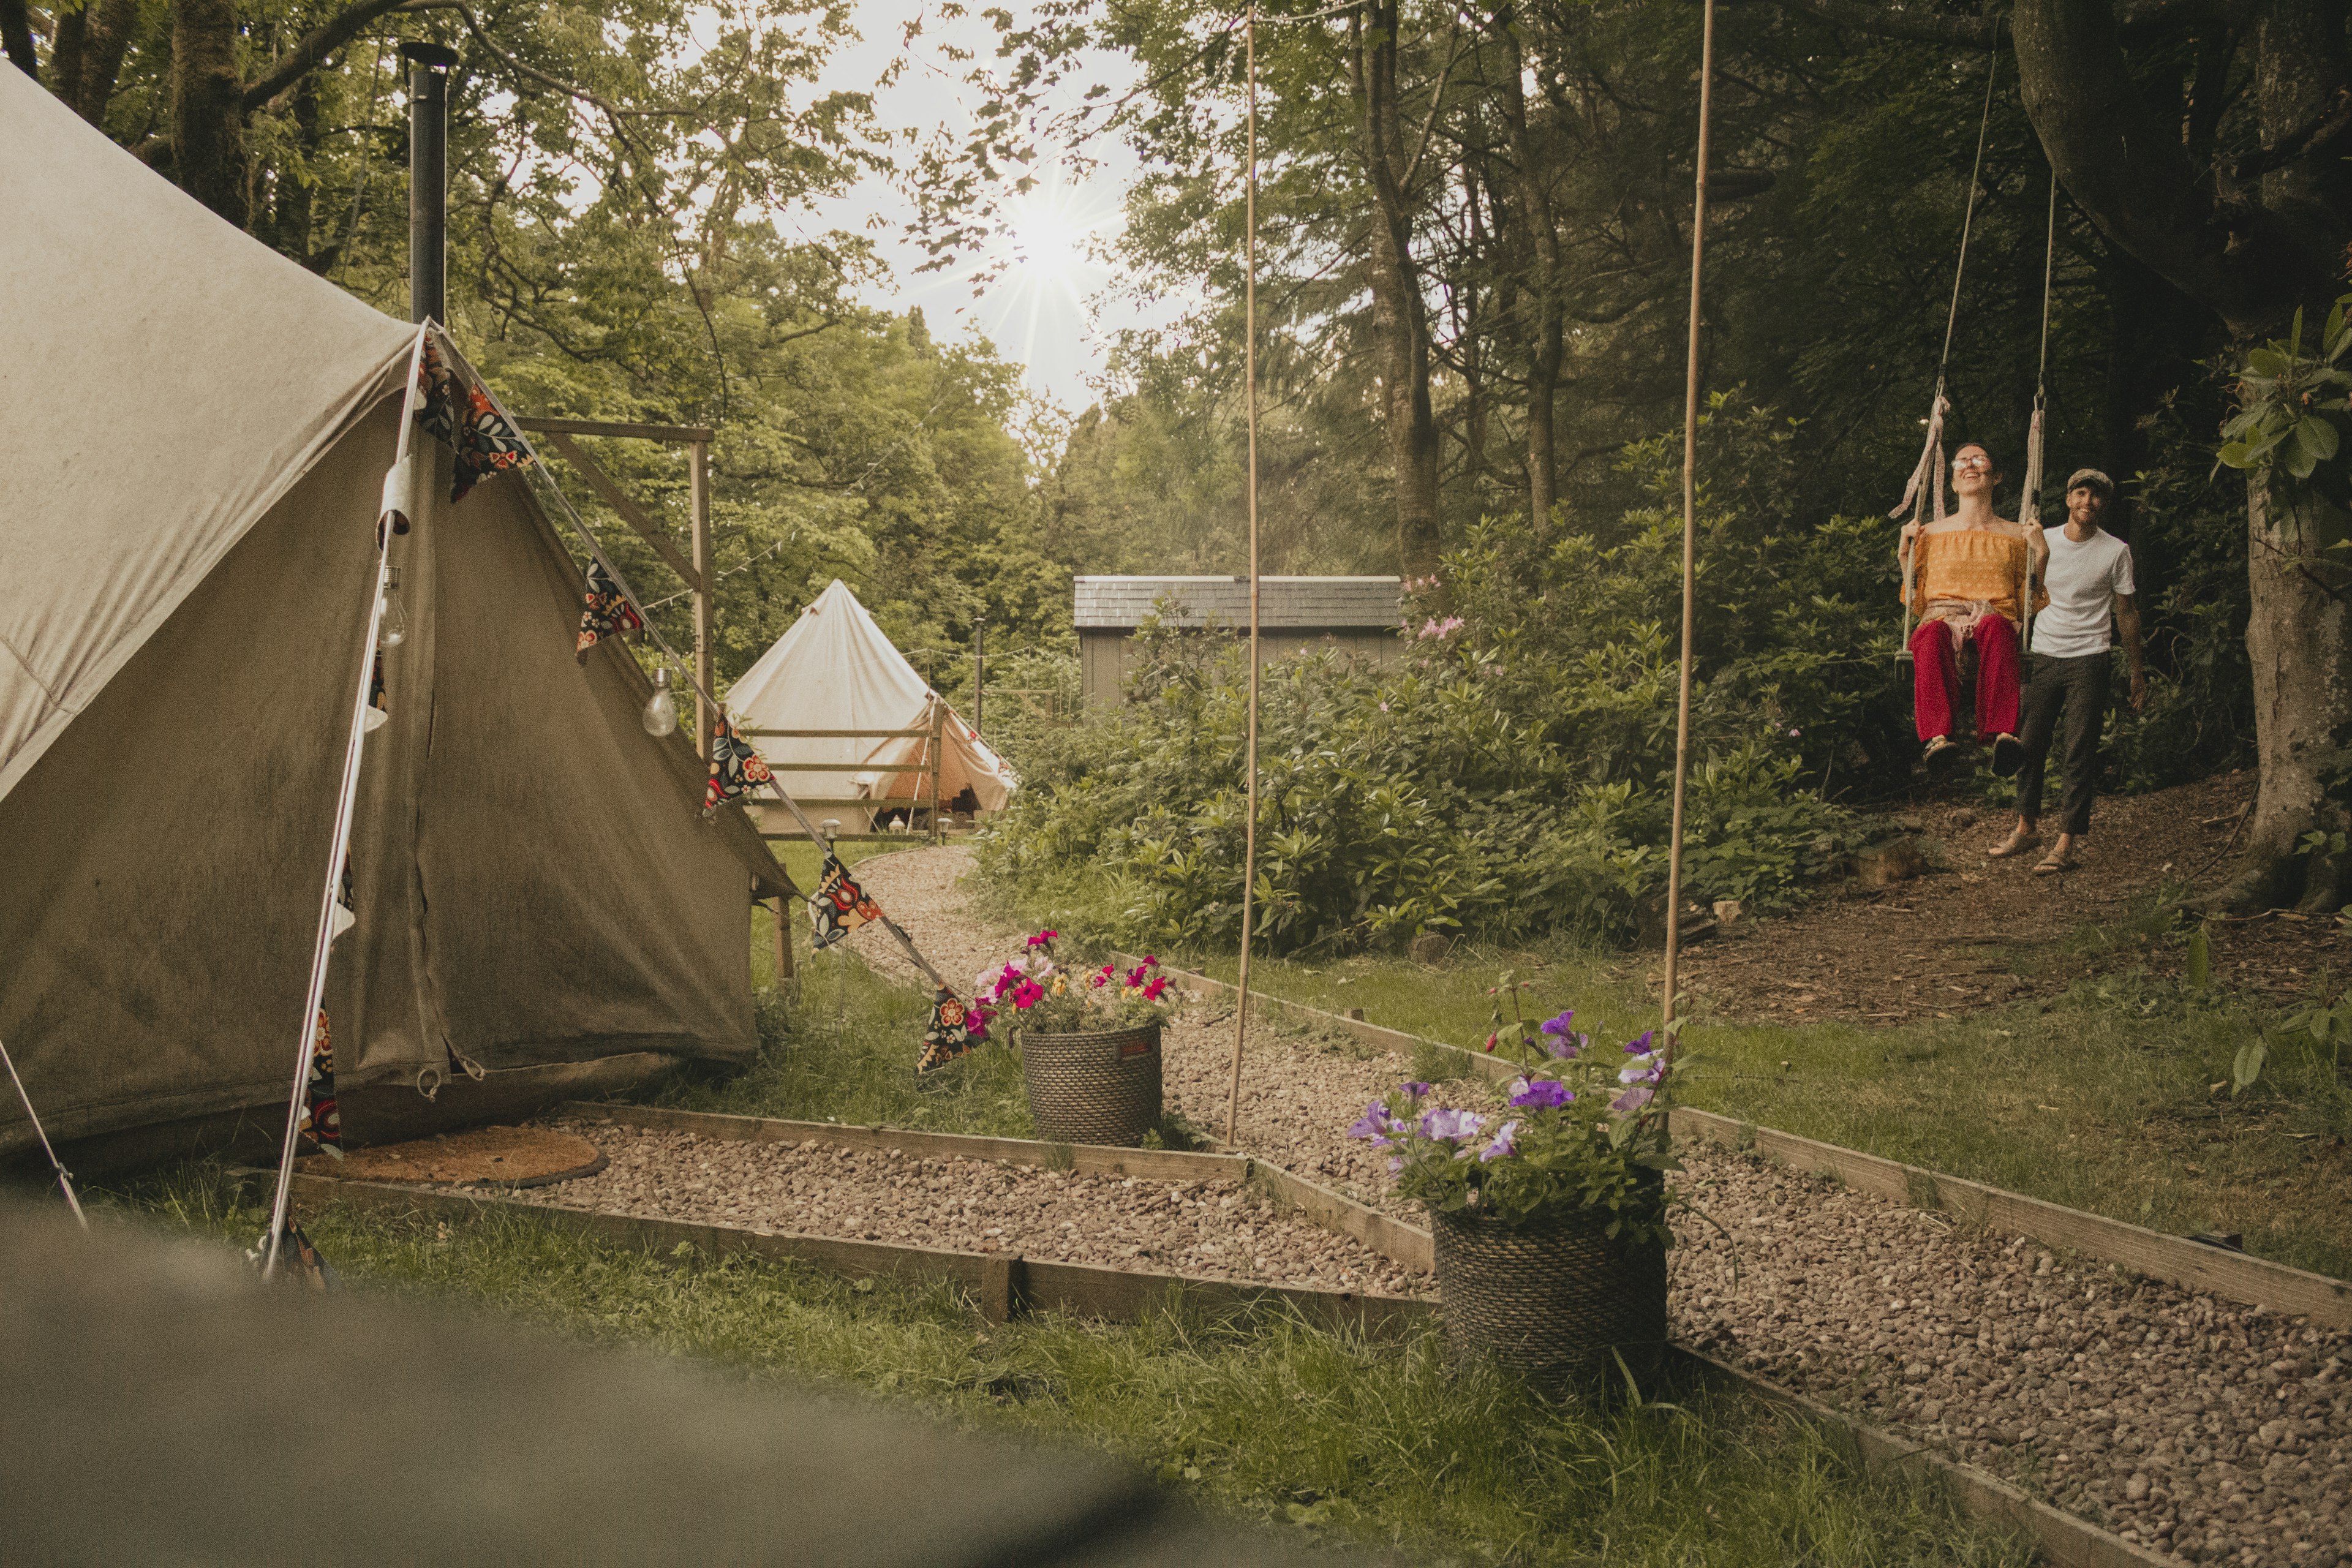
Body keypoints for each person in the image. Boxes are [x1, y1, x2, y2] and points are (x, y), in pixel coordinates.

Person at [1988, 469, 2146, 873]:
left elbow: (2126, 613)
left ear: (2103, 505)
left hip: (2090, 658)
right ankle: (2026, 828)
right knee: (2028, 744)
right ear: (2069, 499)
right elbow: (2020, 594)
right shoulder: (2045, 540)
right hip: (2045, 654)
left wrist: (2136, 672)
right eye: (2081, 493)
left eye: (2096, 496)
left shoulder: (2116, 551)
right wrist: (2035, 552)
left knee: (2078, 751)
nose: (2087, 502)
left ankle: (2066, 841)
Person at [1899, 443, 2043, 772]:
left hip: (1994, 619)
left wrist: (2042, 556)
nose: (1969, 465)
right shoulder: (1930, 534)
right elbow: (1917, 601)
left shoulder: (2017, 535)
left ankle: (2004, 735)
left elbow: (2027, 603)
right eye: (1961, 461)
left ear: (1997, 477)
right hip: (1941, 615)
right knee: (1929, 634)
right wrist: (1904, 555)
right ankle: (1938, 740)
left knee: (1998, 628)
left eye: (1979, 459)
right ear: (1952, 482)